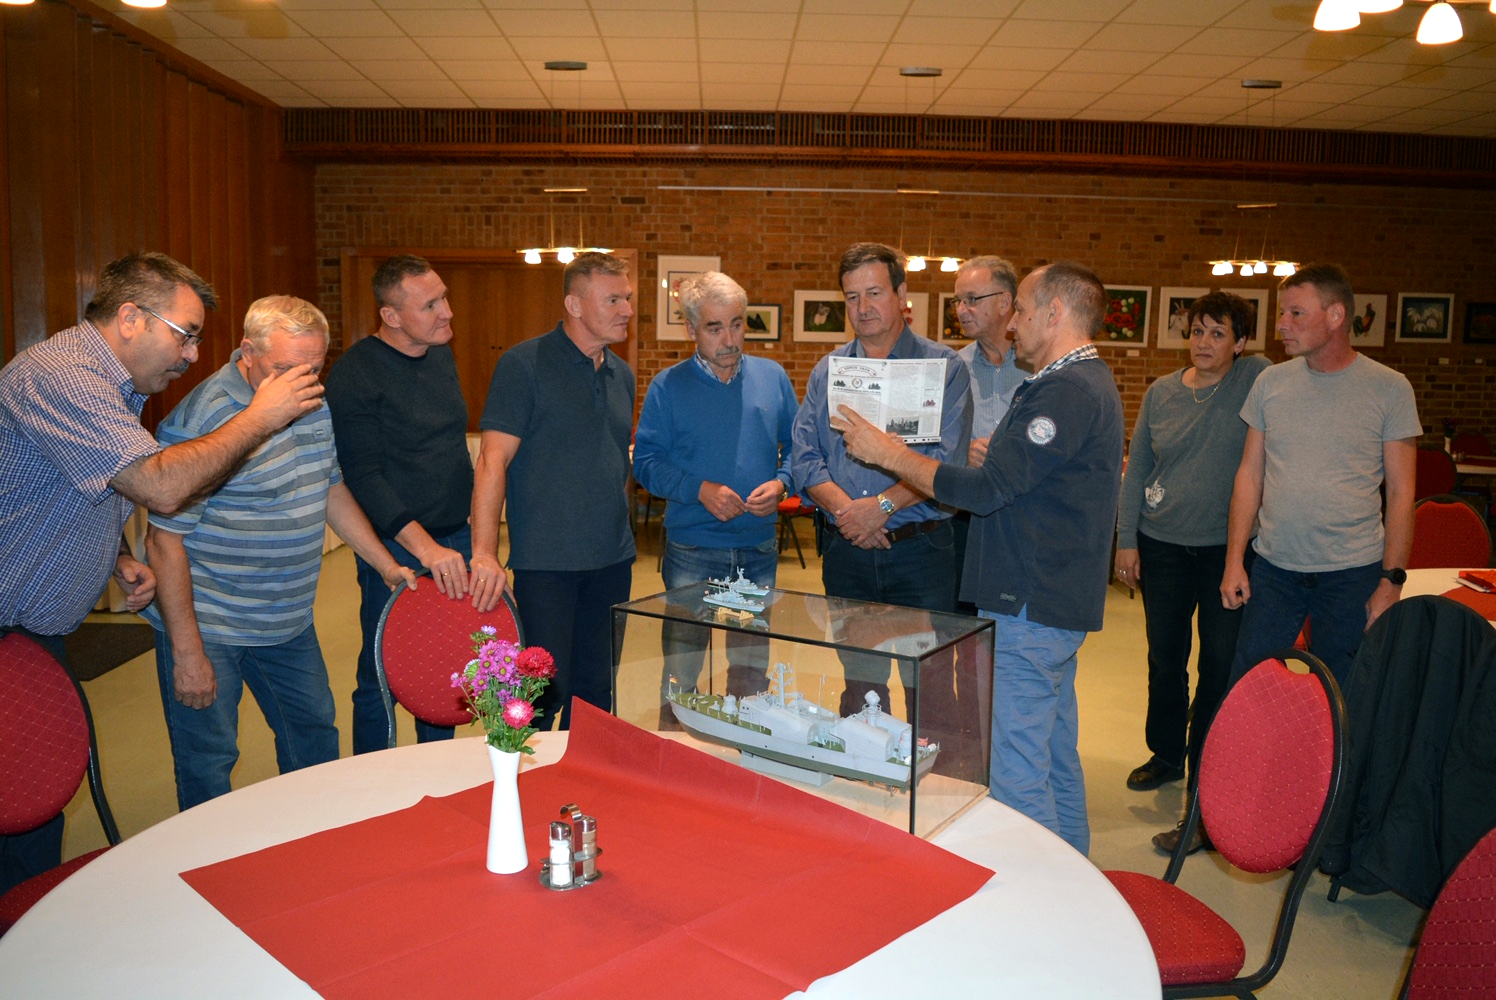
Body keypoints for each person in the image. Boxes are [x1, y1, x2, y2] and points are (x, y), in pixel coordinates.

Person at [0, 252, 321, 894]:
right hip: (10, 631)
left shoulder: (112, 385)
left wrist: (114, 554)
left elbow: (80, 484)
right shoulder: (60, 376)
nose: (193, 355)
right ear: (130, 318)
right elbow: (163, 489)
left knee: (30, 805)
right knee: (19, 801)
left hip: (33, 633)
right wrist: (260, 416)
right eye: (185, 334)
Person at [831, 261, 1124, 856]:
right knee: (1053, 757)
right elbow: (1023, 479)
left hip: (1030, 604)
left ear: (1055, 313)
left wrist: (889, 453)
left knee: (1018, 771)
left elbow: (988, 492)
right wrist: (1000, 458)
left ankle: (1034, 892)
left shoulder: (1066, 390)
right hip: (1049, 601)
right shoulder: (1076, 382)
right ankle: (1073, 880)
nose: (1012, 325)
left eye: (1022, 311)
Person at [143, 296, 417, 810]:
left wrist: (384, 563)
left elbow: (329, 487)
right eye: (285, 368)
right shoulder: (202, 419)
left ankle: (311, 846)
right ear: (247, 351)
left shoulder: (311, 400)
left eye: (313, 369)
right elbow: (164, 541)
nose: (300, 381)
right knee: (209, 760)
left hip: (288, 621)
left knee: (314, 738)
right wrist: (188, 652)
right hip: (211, 623)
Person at [1114, 292, 1271, 854]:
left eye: (1218, 333)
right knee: (1165, 657)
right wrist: (1126, 540)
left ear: (1241, 343)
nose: (1204, 343)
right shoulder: (1161, 391)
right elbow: (1138, 468)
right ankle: (1165, 753)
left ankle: (1207, 765)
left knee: (1219, 664)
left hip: (1229, 551)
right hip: (1162, 544)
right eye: (1197, 331)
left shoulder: (1255, 379)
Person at [790, 243, 971, 718]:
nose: (863, 307)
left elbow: (946, 462)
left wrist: (882, 507)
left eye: (874, 293)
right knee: (860, 687)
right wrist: (850, 514)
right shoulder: (828, 371)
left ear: (901, 294)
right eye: (852, 297)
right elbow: (805, 458)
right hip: (846, 550)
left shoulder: (944, 369)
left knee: (929, 687)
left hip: (920, 553)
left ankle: (931, 767)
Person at [324, 255, 495, 755]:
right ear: (391, 316)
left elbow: (445, 448)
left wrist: (469, 538)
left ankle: (433, 767)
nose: (447, 312)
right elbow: (364, 477)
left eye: (444, 297)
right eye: (430, 305)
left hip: (454, 536)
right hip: (397, 546)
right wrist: (425, 549)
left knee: (445, 668)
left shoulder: (439, 354)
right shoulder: (356, 374)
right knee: (382, 669)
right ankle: (371, 777)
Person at [1221, 263, 1419, 689]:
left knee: (1343, 694)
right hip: (1274, 568)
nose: (1282, 324)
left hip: (1352, 573)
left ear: (1335, 316)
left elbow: (1403, 492)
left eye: (1296, 313)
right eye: (1283, 313)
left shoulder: (1390, 388)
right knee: (1250, 687)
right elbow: (1249, 475)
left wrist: (1391, 580)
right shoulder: (1270, 383)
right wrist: (1234, 560)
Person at [470, 252, 636, 729]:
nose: (626, 309)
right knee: (539, 696)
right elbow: (492, 460)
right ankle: (527, 775)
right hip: (547, 565)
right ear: (574, 305)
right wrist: (484, 552)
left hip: (613, 560)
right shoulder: (524, 364)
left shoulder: (621, 374)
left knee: (596, 694)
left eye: (627, 298)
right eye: (613, 300)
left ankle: (583, 773)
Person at [633, 271, 798, 716]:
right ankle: (675, 751)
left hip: (757, 549)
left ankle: (743, 754)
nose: (729, 339)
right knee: (681, 673)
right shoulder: (668, 386)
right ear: (691, 329)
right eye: (714, 328)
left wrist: (782, 482)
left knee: (750, 673)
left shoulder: (772, 377)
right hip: (693, 550)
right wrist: (699, 490)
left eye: (737, 325)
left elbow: (799, 449)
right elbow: (645, 463)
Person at [951, 255, 1026, 616]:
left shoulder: (1038, 369)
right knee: (962, 628)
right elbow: (929, 444)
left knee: (1016, 629)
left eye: (971, 299)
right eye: (957, 301)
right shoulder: (953, 368)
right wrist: (961, 452)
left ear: (1004, 301)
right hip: (965, 519)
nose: (961, 310)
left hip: (1023, 518)